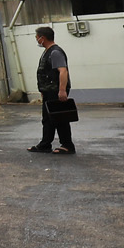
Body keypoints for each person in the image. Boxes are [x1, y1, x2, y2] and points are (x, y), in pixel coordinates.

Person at [28, 25, 77, 155]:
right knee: (48, 118)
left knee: (60, 118)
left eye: (37, 37)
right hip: (49, 91)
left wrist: (62, 90)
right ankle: (45, 144)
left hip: (56, 91)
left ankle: (67, 145)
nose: (36, 40)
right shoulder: (47, 52)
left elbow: (63, 71)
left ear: (42, 38)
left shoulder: (55, 52)